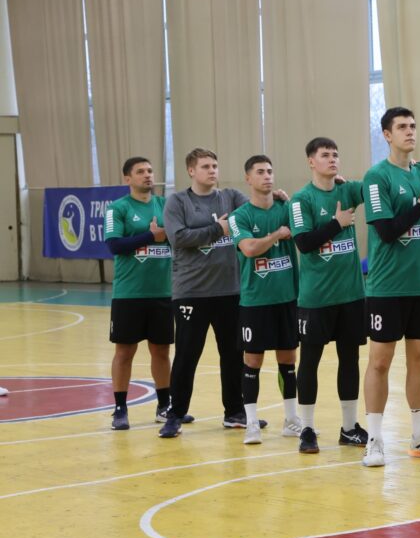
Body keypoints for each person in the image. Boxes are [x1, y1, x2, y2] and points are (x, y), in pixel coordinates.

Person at [361, 107, 420, 467]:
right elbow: (386, 231)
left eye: (413, 125)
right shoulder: (377, 177)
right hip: (388, 287)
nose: (410, 131)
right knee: (380, 362)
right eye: (402, 126)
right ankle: (374, 440)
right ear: (387, 135)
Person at [159, 149, 260, 437]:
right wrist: (217, 228)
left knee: (232, 354)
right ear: (191, 171)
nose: (212, 170)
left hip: (230, 290)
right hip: (191, 292)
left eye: (215, 165)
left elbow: (255, 210)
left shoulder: (230, 197)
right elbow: (178, 238)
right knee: (187, 354)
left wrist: (274, 196)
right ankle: (175, 414)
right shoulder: (178, 202)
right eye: (205, 166)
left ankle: (234, 412)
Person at [289, 137, 368, 454]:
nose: (332, 159)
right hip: (316, 298)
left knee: (350, 360)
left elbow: (378, 185)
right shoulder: (301, 200)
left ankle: (349, 428)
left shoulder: (348, 190)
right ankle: (307, 429)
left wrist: (410, 166)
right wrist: (337, 223)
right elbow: (304, 243)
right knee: (309, 361)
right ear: (311, 161)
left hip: (351, 295)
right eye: (325, 155)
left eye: (335, 154)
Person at [103, 156, 183, 429]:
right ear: (128, 178)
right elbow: (114, 246)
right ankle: (120, 409)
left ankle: (164, 406)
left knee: (161, 351)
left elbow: (180, 237)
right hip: (129, 294)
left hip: (162, 292)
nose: (148, 175)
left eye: (150, 170)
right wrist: (151, 236)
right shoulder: (118, 208)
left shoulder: (166, 205)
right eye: (140, 172)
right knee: (124, 352)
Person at [228, 155, 300, 445]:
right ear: (248, 178)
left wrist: (290, 202)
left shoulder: (286, 208)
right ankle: (252, 423)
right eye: (260, 172)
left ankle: (291, 420)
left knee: (288, 359)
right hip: (255, 300)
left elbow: (305, 225)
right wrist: (277, 235)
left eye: (270, 171)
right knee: (252, 361)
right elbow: (248, 248)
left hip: (287, 298)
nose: (267, 176)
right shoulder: (240, 216)